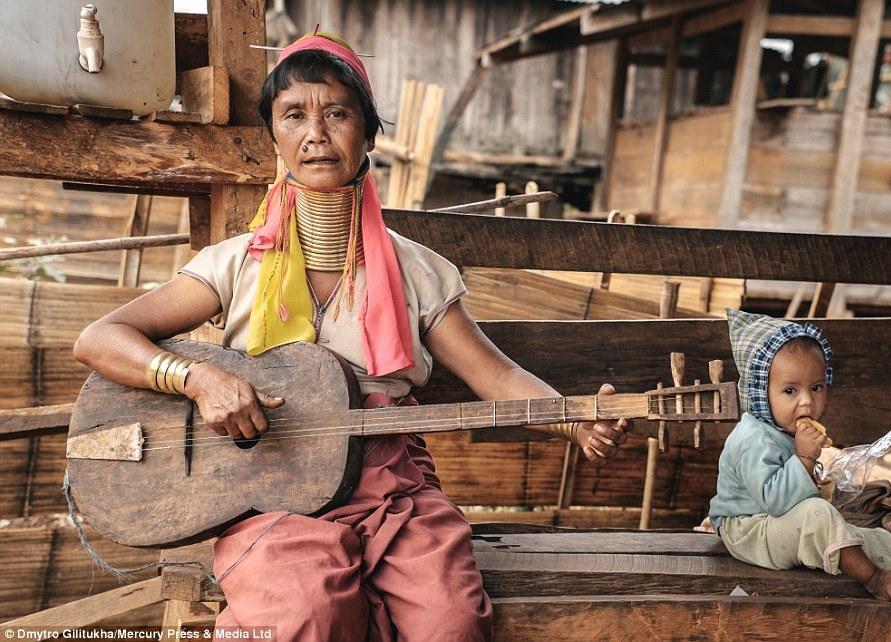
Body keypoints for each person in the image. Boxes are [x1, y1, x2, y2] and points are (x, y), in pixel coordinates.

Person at [72, 33, 633, 641]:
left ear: (368, 132)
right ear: (275, 138)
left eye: (337, 113)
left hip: (393, 486)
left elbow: (493, 374)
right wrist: (199, 377)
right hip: (270, 487)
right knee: (303, 615)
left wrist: (575, 418)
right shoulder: (232, 265)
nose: (316, 133)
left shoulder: (419, 270)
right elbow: (101, 339)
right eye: (294, 116)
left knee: (450, 623)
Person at [709, 309, 891, 600]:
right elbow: (775, 502)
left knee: (862, 537)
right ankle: (874, 578)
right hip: (748, 530)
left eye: (816, 387)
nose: (807, 401)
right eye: (790, 390)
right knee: (820, 515)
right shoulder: (750, 440)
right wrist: (804, 460)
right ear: (759, 394)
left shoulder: (783, 429)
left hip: (780, 525)